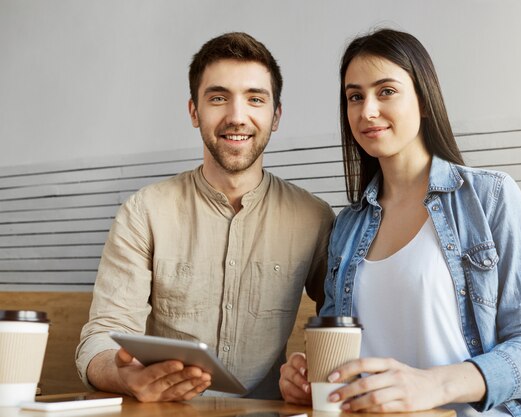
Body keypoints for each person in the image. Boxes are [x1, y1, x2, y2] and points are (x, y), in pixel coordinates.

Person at [279, 28, 521, 416]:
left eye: (386, 91)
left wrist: (435, 384)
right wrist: (310, 380)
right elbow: (339, 363)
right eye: (355, 97)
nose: (367, 111)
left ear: (424, 101)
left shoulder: (491, 197)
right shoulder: (346, 227)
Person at [76, 32, 335, 403]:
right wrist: (123, 376)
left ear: (275, 115)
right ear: (194, 112)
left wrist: (312, 369)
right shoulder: (144, 211)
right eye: (218, 98)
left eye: (255, 99)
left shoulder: (315, 217)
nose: (236, 117)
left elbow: (345, 318)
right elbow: (102, 334)